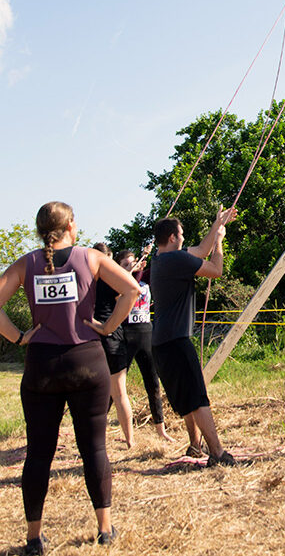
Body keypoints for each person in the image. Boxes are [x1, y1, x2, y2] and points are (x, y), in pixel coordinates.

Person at [0, 202, 140, 554]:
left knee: (38, 454)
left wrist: (18, 336)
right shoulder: (90, 258)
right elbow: (132, 290)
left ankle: (34, 538)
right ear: (71, 227)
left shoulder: (26, 263)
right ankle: (105, 529)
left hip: (42, 365)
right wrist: (108, 327)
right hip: (87, 362)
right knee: (94, 448)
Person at [150, 206, 237, 463]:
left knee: (189, 398)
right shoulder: (176, 260)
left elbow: (199, 250)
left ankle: (195, 446)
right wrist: (220, 241)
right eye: (182, 234)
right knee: (198, 397)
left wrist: (216, 223)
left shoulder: (161, 258)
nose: (184, 238)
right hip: (176, 341)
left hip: (163, 343)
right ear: (173, 238)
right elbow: (214, 268)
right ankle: (218, 453)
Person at [115, 248, 173, 442]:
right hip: (126, 336)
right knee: (115, 386)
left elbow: (157, 267)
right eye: (126, 264)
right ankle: (101, 430)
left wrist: (154, 253)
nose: (131, 266)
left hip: (146, 334)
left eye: (133, 262)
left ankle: (161, 430)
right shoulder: (118, 283)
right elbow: (130, 280)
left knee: (153, 384)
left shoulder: (145, 279)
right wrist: (140, 261)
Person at [92, 243, 135, 449]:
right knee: (119, 394)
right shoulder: (112, 279)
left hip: (90, 337)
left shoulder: (86, 279)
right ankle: (130, 441)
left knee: (92, 394)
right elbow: (128, 297)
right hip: (112, 336)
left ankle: (93, 441)